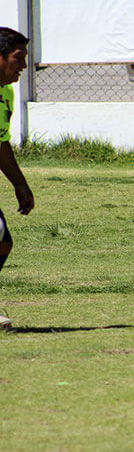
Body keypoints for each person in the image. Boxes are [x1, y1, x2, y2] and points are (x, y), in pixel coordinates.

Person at [0, 27, 35, 329]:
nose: (23, 65)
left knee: (3, 243)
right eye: (18, 58)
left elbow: (0, 143)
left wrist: (20, 184)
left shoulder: (5, 92)